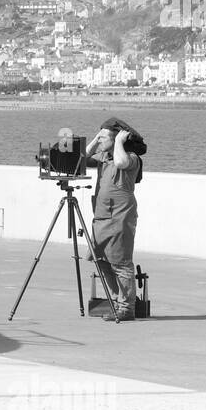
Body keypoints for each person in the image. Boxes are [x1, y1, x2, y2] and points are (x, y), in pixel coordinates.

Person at [84, 117, 145, 321]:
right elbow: (81, 160)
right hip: (101, 217)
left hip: (120, 217)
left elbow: (121, 162)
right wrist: (97, 138)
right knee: (101, 260)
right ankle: (116, 301)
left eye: (103, 138)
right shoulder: (104, 157)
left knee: (120, 262)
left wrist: (118, 141)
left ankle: (127, 308)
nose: (100, 141)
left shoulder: (131, 157)